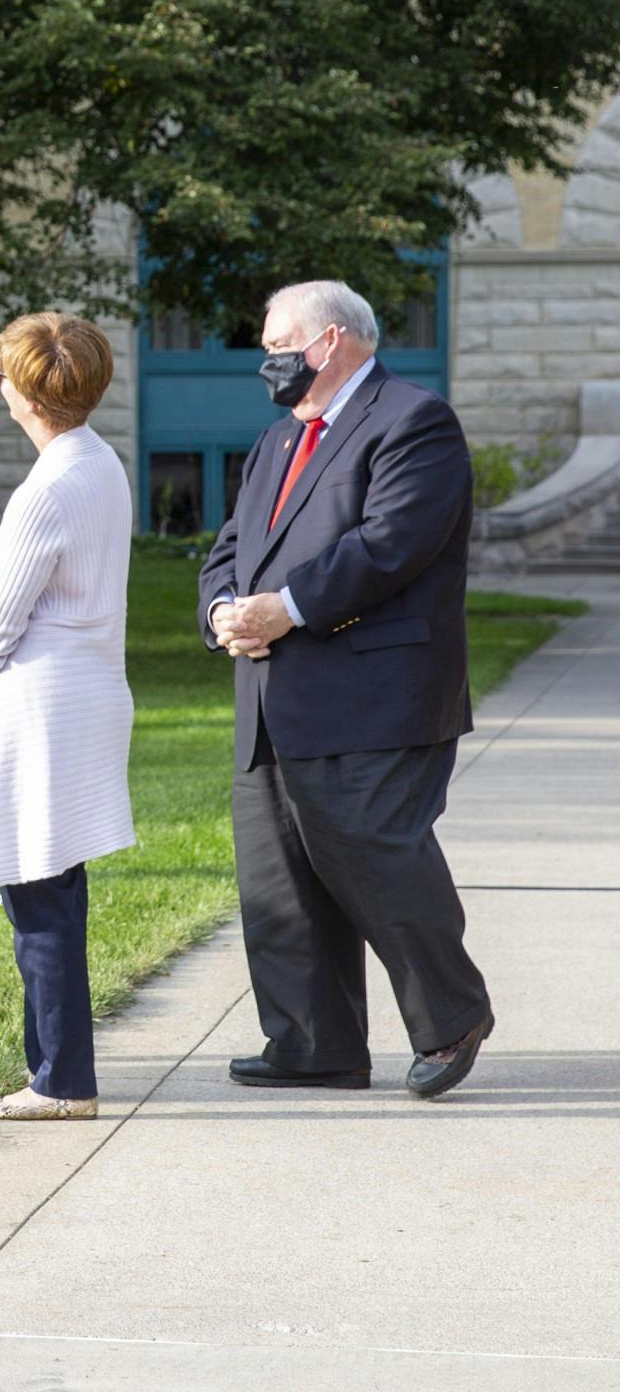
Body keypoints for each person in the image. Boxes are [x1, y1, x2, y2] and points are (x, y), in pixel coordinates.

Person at [200, 280, 492, 1100]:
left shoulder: (412, 422)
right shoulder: (273, 445)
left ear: (329, 342)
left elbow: (391, 544)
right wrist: (224, 609)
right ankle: (312, 1044)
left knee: (375, 857)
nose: (269, 361)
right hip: (271, 696)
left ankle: (452, 1017)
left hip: (376, 696)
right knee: (280, 877)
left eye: (278, 344)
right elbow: (229, 550)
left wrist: (285, 610)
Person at [0, 313, 136, 1121]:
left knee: (40, 899)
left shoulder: (49, 486)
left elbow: (0, 612)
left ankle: (61, 1081)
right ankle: (57, 1071)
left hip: (45, 702)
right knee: (57, 891)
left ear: (19, 393)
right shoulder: (101, 464)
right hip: (89, 690)